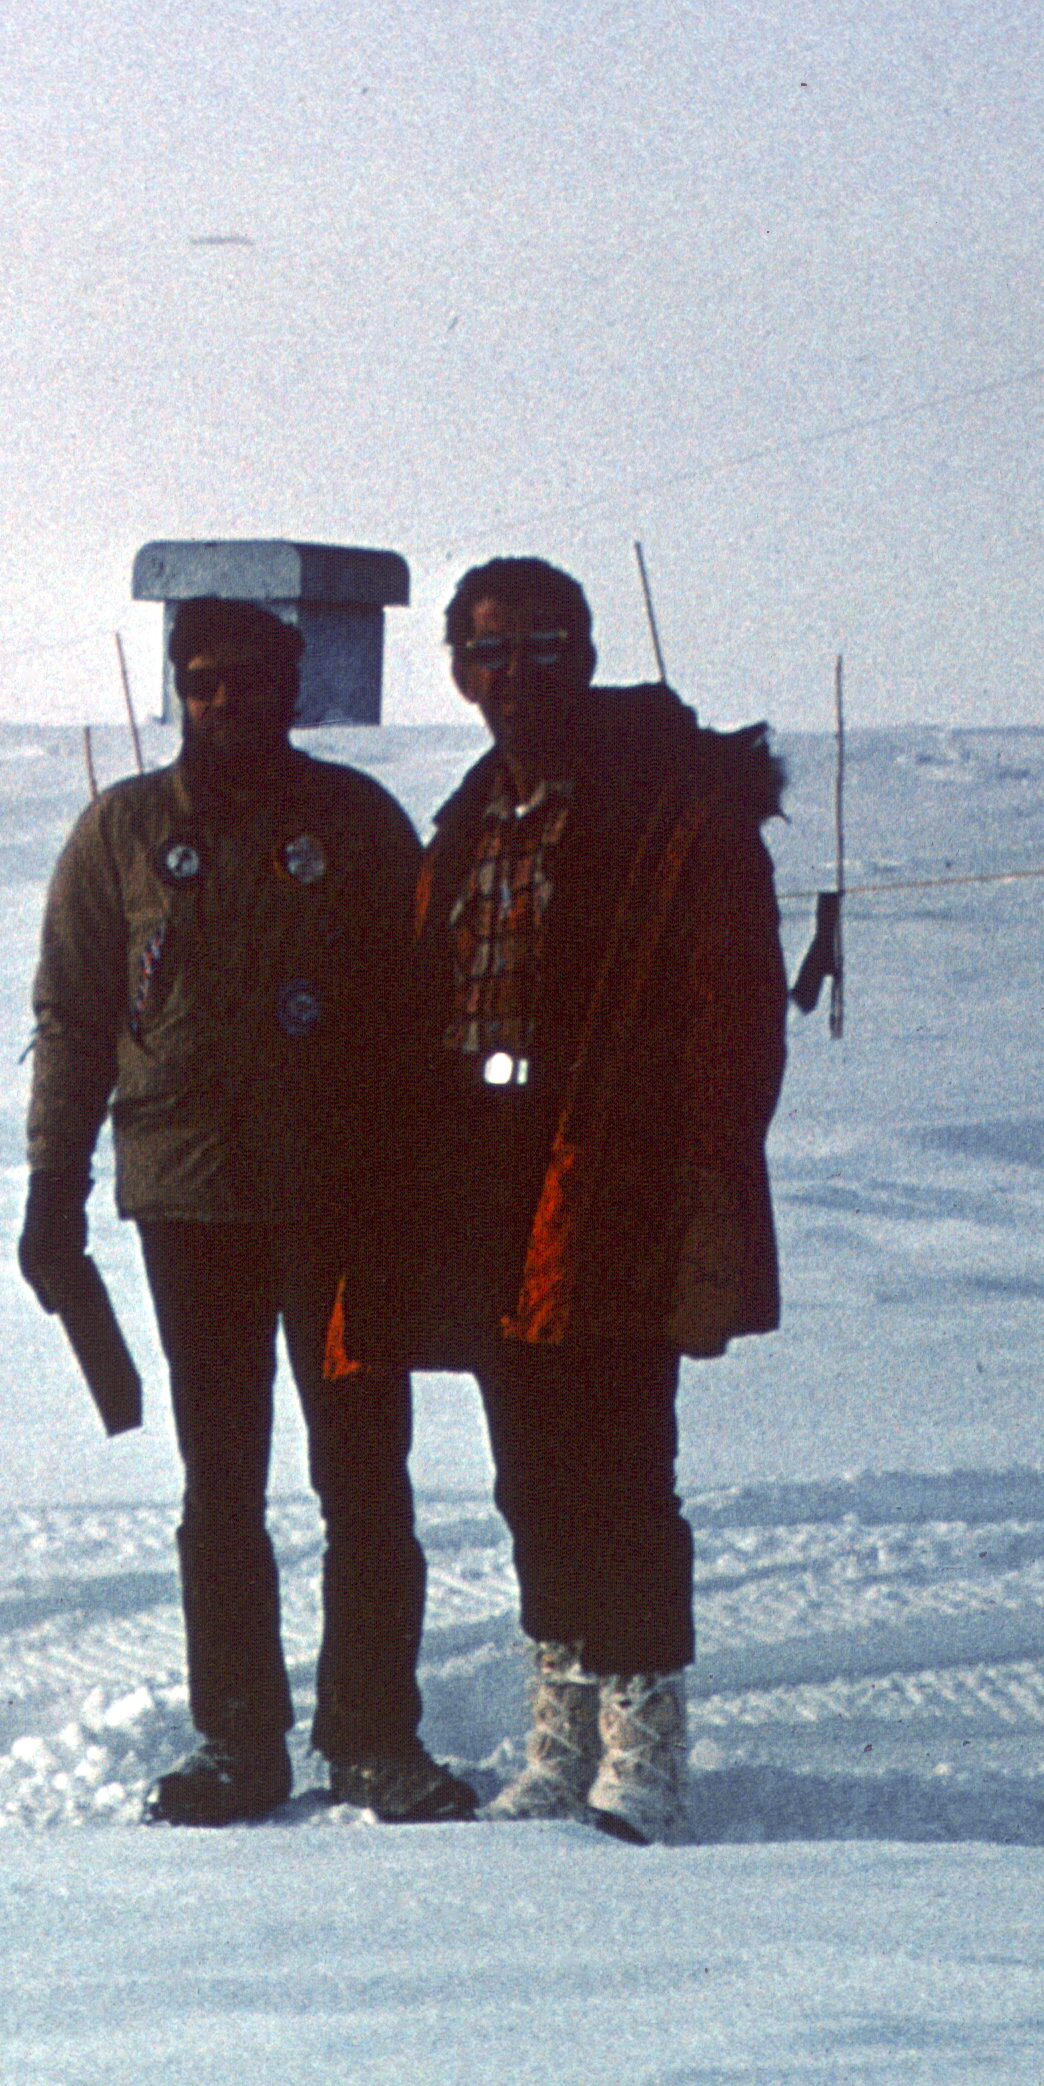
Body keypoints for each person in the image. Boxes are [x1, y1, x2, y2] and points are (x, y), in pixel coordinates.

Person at [24, 597, 461, 1826]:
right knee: (222, 1481)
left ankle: (373, 1735)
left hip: (342, 1201)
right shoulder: (122, 832)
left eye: (253, 680)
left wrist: (426, 1179)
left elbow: (420, 1006)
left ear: (293, 686)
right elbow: (72, 1012)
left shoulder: (357, 824)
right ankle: (237, 1741)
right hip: (191, 1201)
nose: (229, 703)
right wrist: (53, 1187)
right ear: (181, 689)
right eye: (206, 681)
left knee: (365, 1474)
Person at [375, 556, 789, 1840]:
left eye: (543, 648)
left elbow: (735, 1015)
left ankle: (644, 1746)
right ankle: (559, 1734)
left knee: (622, 1460)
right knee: (529, 1467)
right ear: (456, 670)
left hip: (616, 1171)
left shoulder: (668, 806)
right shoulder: (471, 818)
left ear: (588, 654)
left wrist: (693, 1173)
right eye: (490, 653)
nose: (515, 677)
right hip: (487, 1174)